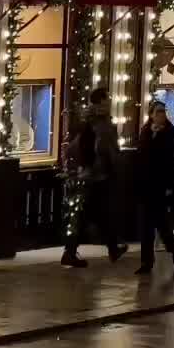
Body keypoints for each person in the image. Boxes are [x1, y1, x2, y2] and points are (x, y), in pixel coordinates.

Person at [61, 85, 128, 267]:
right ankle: (75, 251)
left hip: (90, 174)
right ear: (101, 102)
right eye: (107, 99)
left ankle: (109, 248)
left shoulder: (89, 120)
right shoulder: (100, 123)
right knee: (96, 214)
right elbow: (105, 148)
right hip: (97, 175)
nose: (110, 101)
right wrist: (114, 164)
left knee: (95, 214)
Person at [135, 98, 174, 275]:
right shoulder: (146, 131)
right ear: (151, 115)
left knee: (162, 224)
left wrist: (170, 184)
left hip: (161, 186)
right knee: (146, 226)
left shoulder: (171, 133)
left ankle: (173, 247)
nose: (161, 115)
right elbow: (141, 157)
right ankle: (146, 262)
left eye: (163, 112)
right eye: (158, 112)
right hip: (146, 186)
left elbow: (173, 161)